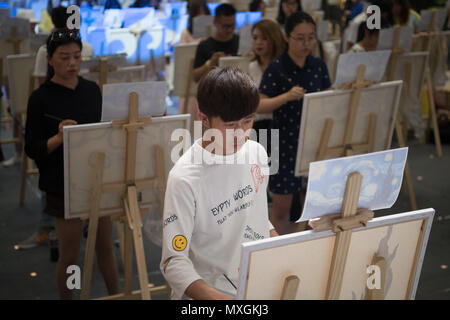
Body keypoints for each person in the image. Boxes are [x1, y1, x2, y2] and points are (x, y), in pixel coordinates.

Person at [160, 66, 278, 300]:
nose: (242, 134)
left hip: (255, 283)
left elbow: (258, 217)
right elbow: (174, 261)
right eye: (231, 125)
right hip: (209, 293)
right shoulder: (185, 177)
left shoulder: (256, 152)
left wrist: (287, 248)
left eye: (247, 121)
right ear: (203, 117)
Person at [24, 29, 119, 299]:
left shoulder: (91, 90)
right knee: (70, 253)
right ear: (50, 60)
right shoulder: (40, 98)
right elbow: (33, 149)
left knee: (104, 247)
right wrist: (58, 137)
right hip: (61, 182)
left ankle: (115, 295)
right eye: (64, 57)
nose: (72, 63)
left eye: (76, 57)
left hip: (97, 178)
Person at [258, 12, 331, 234]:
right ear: (287, 37)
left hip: (312, 140)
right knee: (281, 207)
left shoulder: (318, 65)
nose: (306, 43)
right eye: (300, 38)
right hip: (282, 141)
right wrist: (286, 97)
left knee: (311, 206)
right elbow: (259, 106)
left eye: (310, 38)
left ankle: (304, 250)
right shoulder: (277, 67)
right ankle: (270, 252)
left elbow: (328, 98)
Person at [34, 6, 95, 86]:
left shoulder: (44, 50)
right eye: (64, 58)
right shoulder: (46, 50)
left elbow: (42, 82)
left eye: (76, 56)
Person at [249, 19, 285, 146]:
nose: (258, 42)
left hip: (280, 125)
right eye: (255, 38)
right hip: (256, 127)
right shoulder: (251, 67)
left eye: (264, 38)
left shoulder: (283, 67)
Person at [178, 0, 211, 133]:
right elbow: (182, 58)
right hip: (190, 85)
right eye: (198, 15)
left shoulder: (212, 34)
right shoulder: (186, 33)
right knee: (190, 123)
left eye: (204, 15)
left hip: (207, 82)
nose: (201, 19)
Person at [192, 3, 239, 82]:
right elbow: (196, 77)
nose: (229, 30)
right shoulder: (205, 45)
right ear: (215, 23)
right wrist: (210, 63)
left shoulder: (239, 41)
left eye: (232, 25)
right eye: (225, 26)